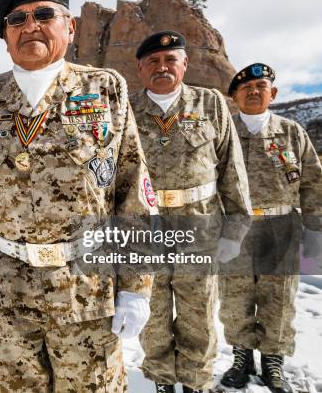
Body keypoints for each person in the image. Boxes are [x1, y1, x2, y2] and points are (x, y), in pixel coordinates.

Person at [0, 0, 158, 392]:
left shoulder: (103, 88)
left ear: (70, 27)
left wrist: (136, 286)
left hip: (88, 291)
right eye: (17, 19)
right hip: (8, 292)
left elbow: (133, 192)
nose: (30, 26)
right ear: (4, 35)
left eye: (44, 14)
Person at [129, 31, 252, 393]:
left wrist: (235, 232)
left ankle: (196, 384)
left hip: (200, 232)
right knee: (152, 319)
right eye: (153, 61)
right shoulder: (127, 110)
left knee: (198, 318)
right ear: (140, 69)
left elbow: (233, 170)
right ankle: (163, 383)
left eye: (171, 60)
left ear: (185, 64)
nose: (162, 67)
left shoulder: (210, 103)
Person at [219, 63, 322, 393]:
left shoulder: (292, 132)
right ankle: (241, 357)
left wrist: (315, 229)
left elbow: (312, 184)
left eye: (260, 86)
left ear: (273, 93)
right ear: (234, 96)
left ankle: (273, 362)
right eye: (245, 88)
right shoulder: (223, 133)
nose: (253, 92)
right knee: (235, 298)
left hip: (281, 228)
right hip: (233, 228)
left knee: (278, 299)